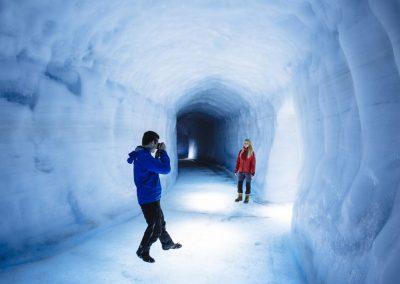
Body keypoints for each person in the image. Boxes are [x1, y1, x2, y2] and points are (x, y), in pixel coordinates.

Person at [127, 131, 182, 263]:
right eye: (156, 142)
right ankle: (142, 250)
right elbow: (165, 169)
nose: (157, 145)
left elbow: (153, 169)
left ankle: (167, 243)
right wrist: (163, 153)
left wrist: (157, 157)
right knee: (154, 226)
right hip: (148, 197)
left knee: (159, 223)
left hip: (151, 196)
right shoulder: (144, 157)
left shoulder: (144, 155)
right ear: (152, 142)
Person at [234, 139, 256, 203]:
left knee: (248, 185)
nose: (245, 144)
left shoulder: (251, 153)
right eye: (244, 143)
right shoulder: (241, 152)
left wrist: (252, 172)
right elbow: (238, 161)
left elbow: (253, 163)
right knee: (239, 184)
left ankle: (247, 198)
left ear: (249, 144)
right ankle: (240, 197)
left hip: (248, 172)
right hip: (240, 171)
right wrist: (236, 170)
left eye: (247, 143)